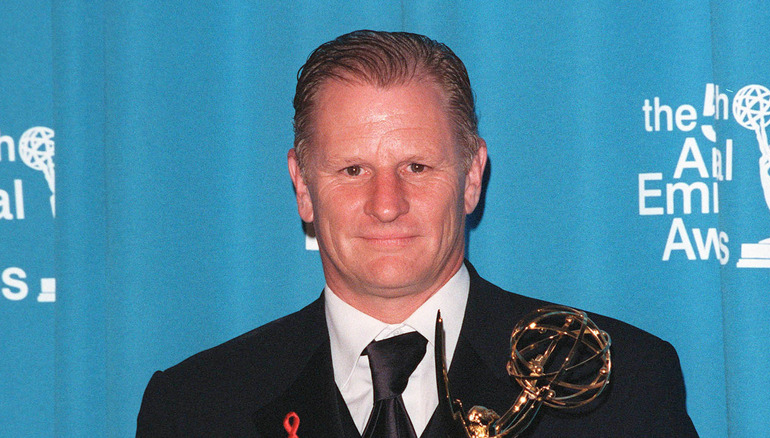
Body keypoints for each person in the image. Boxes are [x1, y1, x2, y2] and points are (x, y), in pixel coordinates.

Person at [137, 30, 698, 437]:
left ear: (472, 176)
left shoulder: (618, 387)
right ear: (303, 186)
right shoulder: (195, 407)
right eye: (353, 170)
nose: (387, 205)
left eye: (417, 168)